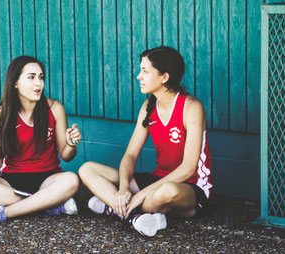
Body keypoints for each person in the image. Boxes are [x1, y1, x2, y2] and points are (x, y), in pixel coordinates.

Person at [79, 46, 213, 237]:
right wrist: (124, 188)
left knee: (164, 192)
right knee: (87, 169)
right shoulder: (148, 107)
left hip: (189, 188)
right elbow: (130, 155)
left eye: (144, 71)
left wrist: (140, 194)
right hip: (157, 179)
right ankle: (135, 216)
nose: (138, 76)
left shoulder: (191, 107)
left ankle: (116, 209)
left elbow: (189, 168)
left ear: (164, 77)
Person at [0, 56, 82, 225]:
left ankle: (2, 213)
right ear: (15, 82)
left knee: (72, 180)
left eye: (41, 77)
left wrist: (71, 143)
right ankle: (49, 203)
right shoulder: (2, 114)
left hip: (48, 179)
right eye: (31, 77)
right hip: (12, 182)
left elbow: (67, 156)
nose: (38, 83)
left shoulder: (55, 108)